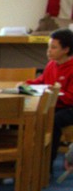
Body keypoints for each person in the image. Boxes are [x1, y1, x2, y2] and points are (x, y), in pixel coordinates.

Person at [25, 28, 73, 170]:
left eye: (53, 47)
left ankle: (46, 166)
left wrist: (54, 92)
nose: (48, 51)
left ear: (66, 50)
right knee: (27, 114)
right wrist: (26, 84)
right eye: (48, 47)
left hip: (69, 108)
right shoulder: (52, 64)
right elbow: (42, 81)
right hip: (54, 104)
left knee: (53, 120)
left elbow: (70, 98)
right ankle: (25, 161)